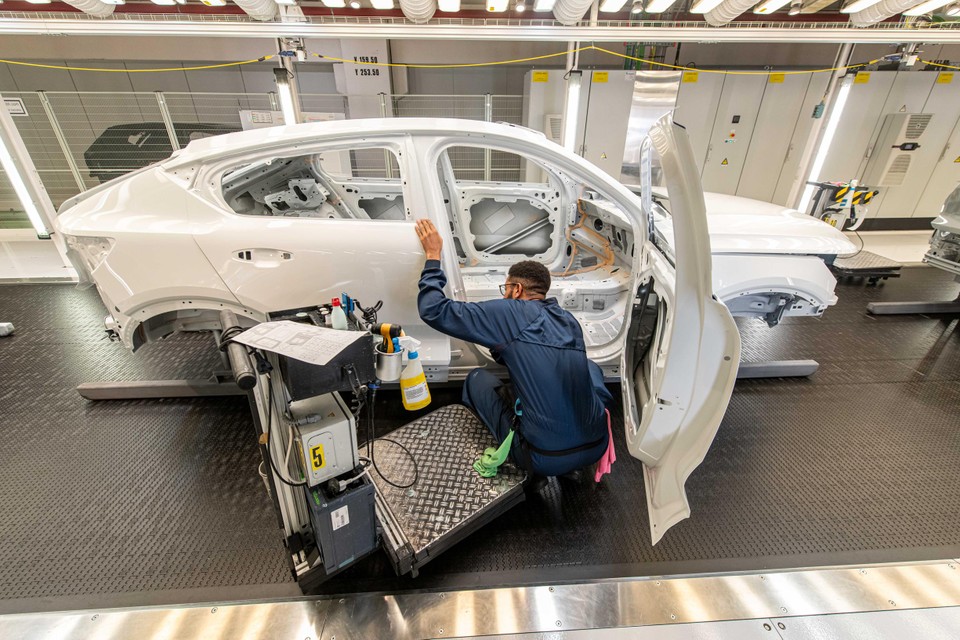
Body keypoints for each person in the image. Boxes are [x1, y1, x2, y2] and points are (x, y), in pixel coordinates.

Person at [414, 219, 613, 478]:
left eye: (505, 289)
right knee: (590, 367)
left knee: (476, 380)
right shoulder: (568, 320)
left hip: (541, 457)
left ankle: (525, 460)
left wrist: (432, 257)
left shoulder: (510, 311)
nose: (504, 295)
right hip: (595, 447)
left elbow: (433, 310)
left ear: (516, 289)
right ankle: (570, 462)